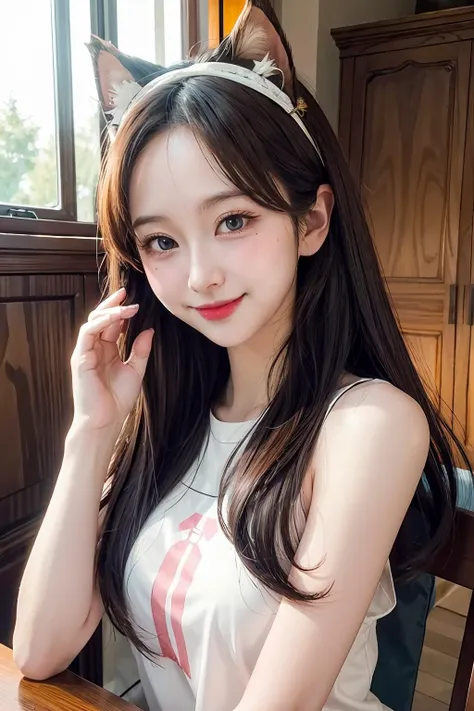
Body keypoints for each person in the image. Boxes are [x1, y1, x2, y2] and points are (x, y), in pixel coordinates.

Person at [12, 1, 472, 710]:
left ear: (311, 221)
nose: (199, 275)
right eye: (162, 240)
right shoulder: (165, 422)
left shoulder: (369, 425)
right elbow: (41, 646)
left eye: (233, 220)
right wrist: (90, 432)